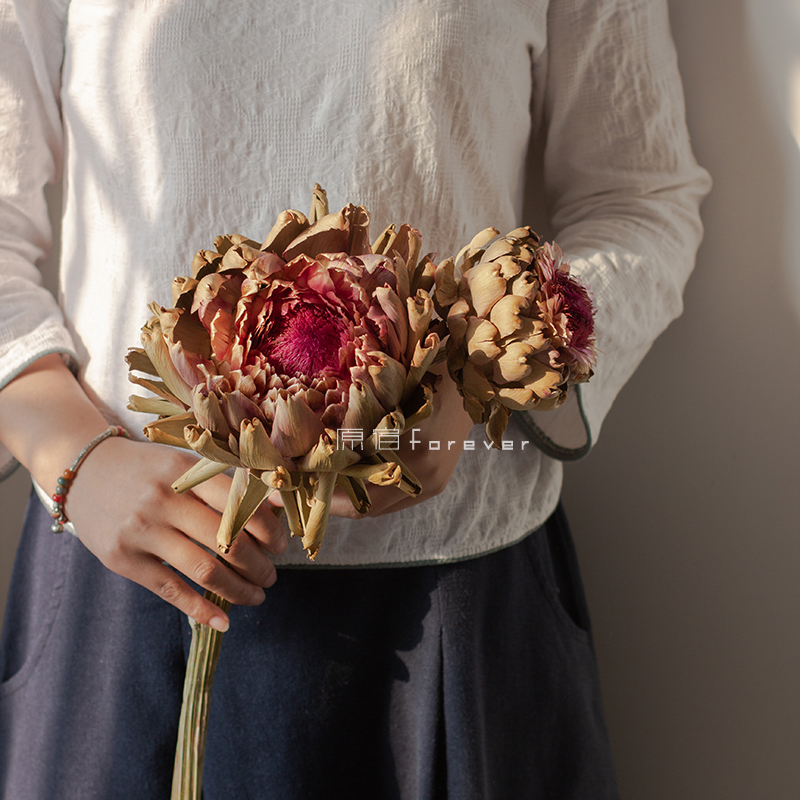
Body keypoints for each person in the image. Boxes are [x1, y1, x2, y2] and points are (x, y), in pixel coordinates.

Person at [0, 0, 710, 797]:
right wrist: (74, 456)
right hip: (124, 584)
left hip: (453, 592)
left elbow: (642, 201)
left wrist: (473, 387)